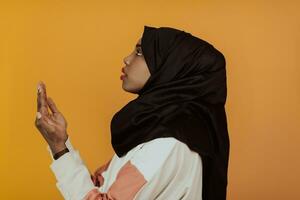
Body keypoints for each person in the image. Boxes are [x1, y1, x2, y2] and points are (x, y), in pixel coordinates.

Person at [35, 25, 230, 200]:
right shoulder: (156, 131)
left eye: (139, 52)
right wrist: (59, 144)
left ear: (169, 67)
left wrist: (58, 146)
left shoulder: (168, 143)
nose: (126, 59)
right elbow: (100, 188)